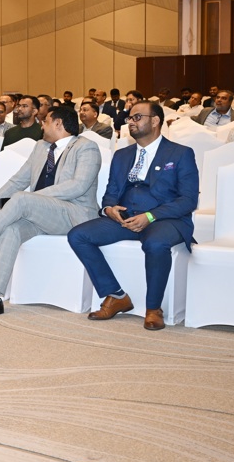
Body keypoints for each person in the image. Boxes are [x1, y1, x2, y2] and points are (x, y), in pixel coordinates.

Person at [0, 106, 102, 318]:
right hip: (41, 214)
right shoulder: (41, 147)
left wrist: (33, 199)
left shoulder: (86, 147)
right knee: (10, 229)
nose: (41, 126)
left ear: (58, 123)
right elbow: (17, 181)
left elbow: (78, 186)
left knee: (22, 198)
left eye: (45, 121)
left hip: (74, 215)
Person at [67, 101, 198, 331]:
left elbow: (188, 200)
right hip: (126, 217)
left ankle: (153, 308)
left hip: (165, 219)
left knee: (155, 243)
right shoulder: (122, 155)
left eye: (137, 117)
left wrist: (150, 216)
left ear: (155, 121)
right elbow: (111, 192)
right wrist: (109, 209)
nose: (131, 122)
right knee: (78, 235)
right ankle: (115, 295)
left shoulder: (180, 153)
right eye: (129, 118)